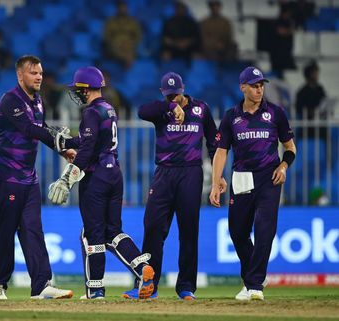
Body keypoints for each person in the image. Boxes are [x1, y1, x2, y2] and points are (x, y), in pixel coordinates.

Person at [48, 66, 155, 300]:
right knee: (113, 232)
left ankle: (95, 290)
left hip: (96, 177)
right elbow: (92, 140)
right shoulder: (108, 109)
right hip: (114, 173)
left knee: (91, 235)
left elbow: (86, 151)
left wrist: (68, 178)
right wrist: (66, 141)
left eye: (79, 89)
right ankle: (141, 268)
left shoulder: (90, 112)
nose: (77, 92)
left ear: (86, 89)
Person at [122, 71, 220, 300]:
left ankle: (186, 287)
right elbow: (141, 111)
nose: (173, 98)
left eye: (176, 95)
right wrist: (168, 107)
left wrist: (218, 176)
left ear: (184, 89)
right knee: (153, 228)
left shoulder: (201, 110)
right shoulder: (161, 110)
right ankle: (147, 286)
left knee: (188, 231)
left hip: (191, 174)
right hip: (164, 174)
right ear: (162, 93)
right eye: (169, 95)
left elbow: (215, 142)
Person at [0, 55, 74, 300]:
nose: (39, 77)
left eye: (41, 73)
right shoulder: (10, 100)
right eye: (33, 73)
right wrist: (64, 141)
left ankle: (42, 286)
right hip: (6, 175)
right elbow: (30, 129)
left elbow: (41, 128)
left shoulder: (37, 101)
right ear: (20, 75)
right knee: (6, 229)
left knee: (33, 229)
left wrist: (63, 149)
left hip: (28, 176)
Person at [209, 66, 297, 301]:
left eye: (261, 85)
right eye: (255, 86)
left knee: (264, 228)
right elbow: (221, 152)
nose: (259, 90)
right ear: (243, 87)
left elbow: (290, 149)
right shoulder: (231, 116)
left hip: (269, 177)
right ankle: (253, 275)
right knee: (237, 232)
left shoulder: (276, 113)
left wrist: (283, 166)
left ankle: (254, 284)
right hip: (241, 178)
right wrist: (216, 181)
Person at [102, 1, 142, 69]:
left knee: (129, 52)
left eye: (124, 8)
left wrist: (130, 44)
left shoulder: (133, 22)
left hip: (129, 46)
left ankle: (126, 69)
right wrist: (114, 43)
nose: (122, 10)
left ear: (127, 9)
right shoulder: (110, 22)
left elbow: (138, 36)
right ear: (117, 9)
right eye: (121, 8)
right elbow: (106, 36)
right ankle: (126, 66)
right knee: (127, 55)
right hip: (114, 46)